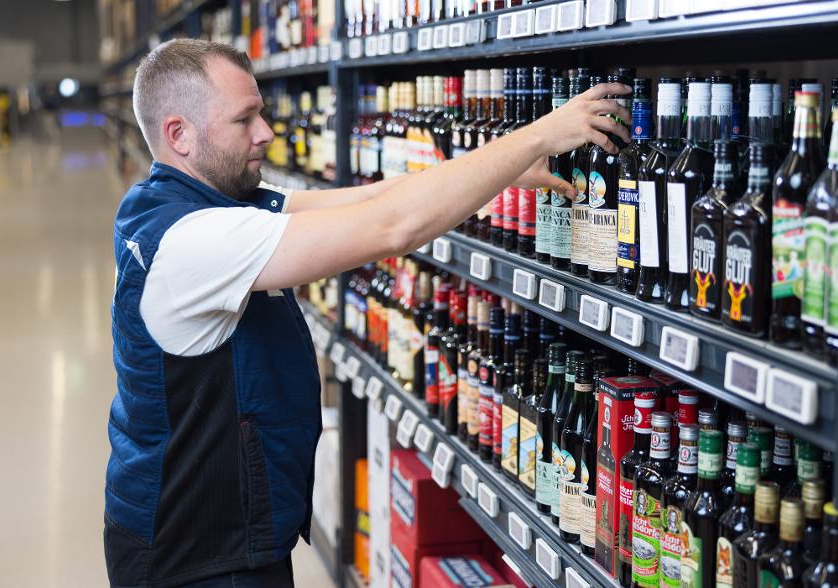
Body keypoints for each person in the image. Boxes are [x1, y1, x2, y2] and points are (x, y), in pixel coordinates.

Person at [105, 39, 630, 587]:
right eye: (245, 120)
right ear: (178, 134)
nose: (266, 132)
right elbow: (392, 227)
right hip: (196, 551)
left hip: (224, 531)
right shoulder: (193, 240)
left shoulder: (199, 203)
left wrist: (503, 167)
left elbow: (374, 198)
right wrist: (540, 133)